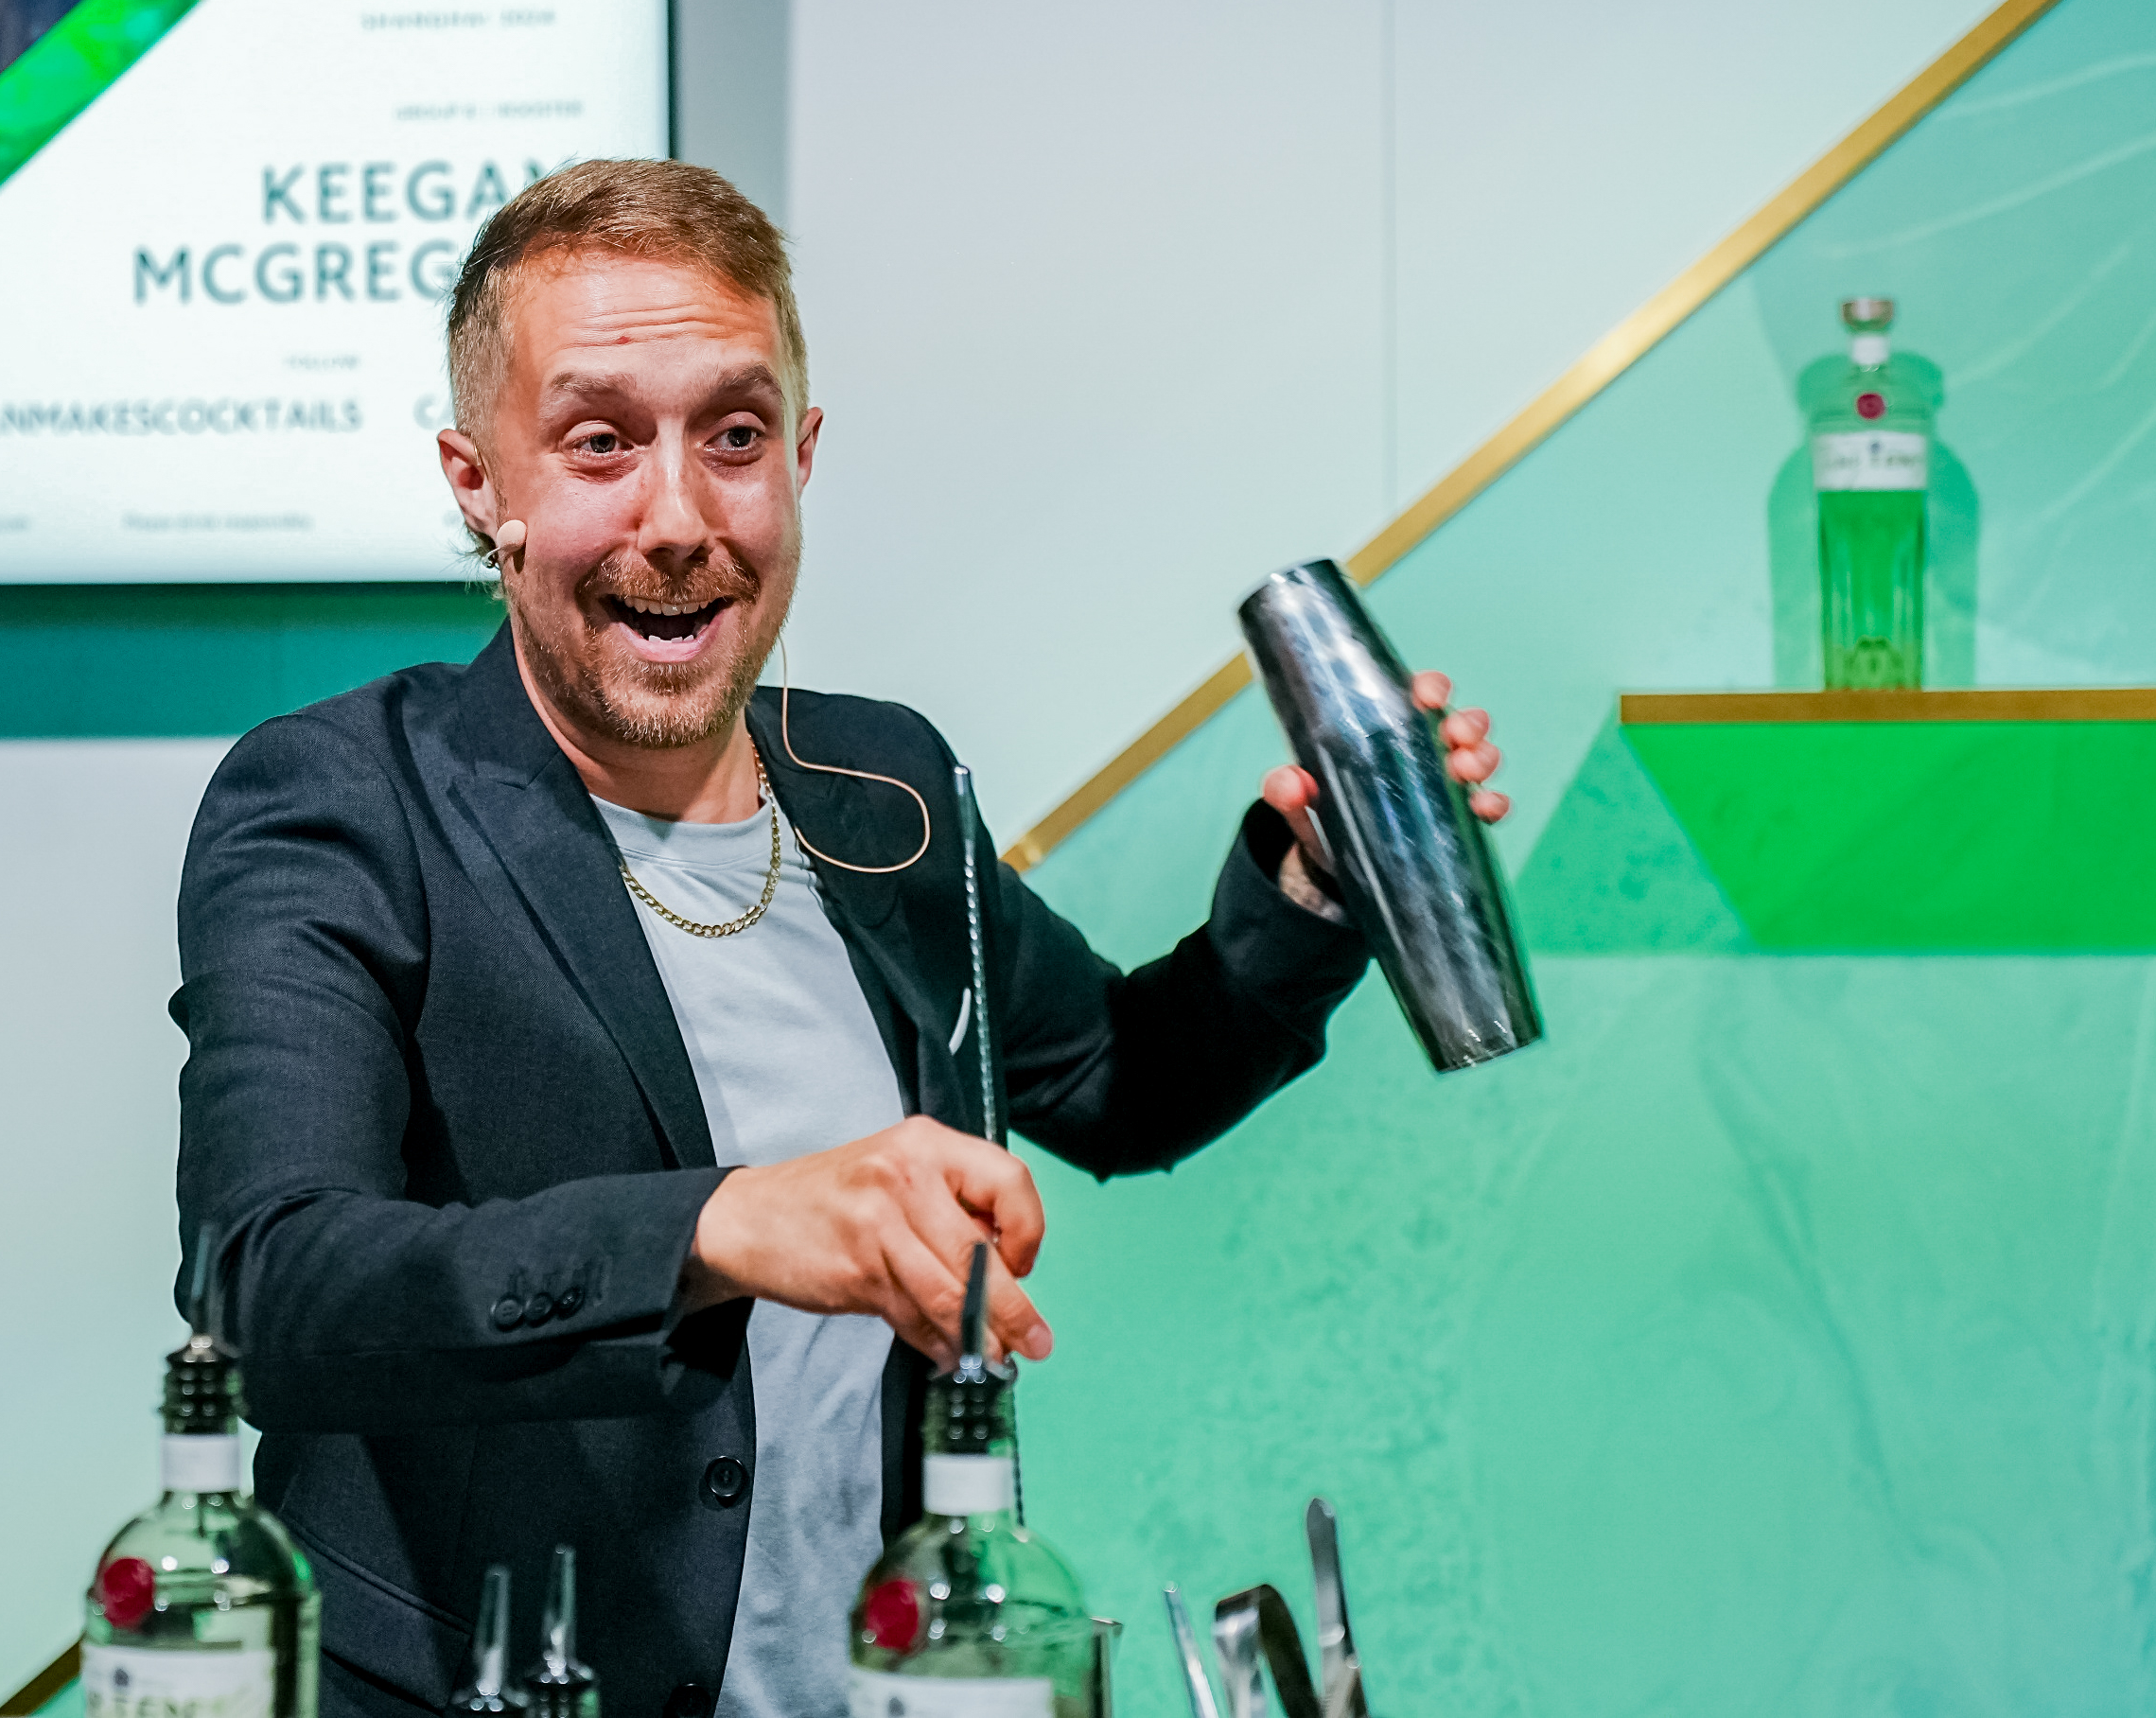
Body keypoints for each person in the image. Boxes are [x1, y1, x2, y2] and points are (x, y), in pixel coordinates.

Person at [171, 162, 1509, 1718]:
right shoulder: (342, 798)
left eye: (733, 436)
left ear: (801, 457)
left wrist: (1321, 881)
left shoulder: (889, 789)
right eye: (600, 440)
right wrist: (725, 1226)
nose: (679, 517)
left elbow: (1127, 1082)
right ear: (484, 482)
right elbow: (280, 1287)